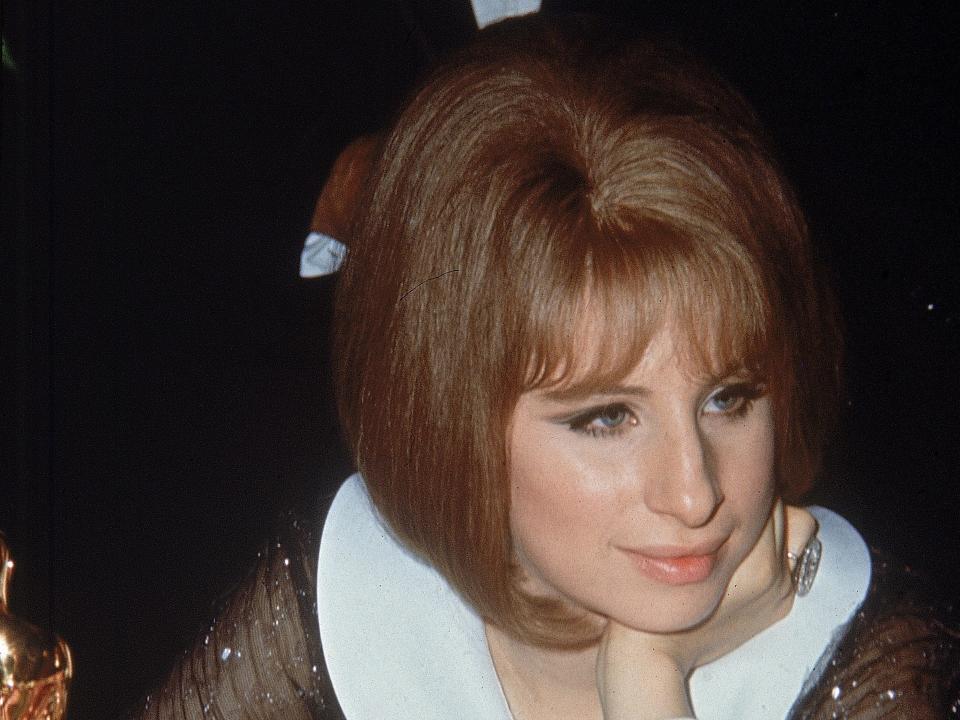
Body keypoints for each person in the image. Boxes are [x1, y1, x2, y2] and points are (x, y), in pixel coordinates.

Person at [133, 15, 959, 720]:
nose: (695, 491)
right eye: (606, 418)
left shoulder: (878, 663)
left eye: (729, 398)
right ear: (449, 420)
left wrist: (649, 686)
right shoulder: (341, 597)